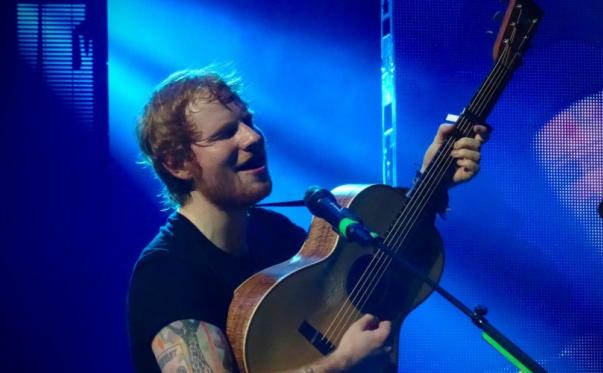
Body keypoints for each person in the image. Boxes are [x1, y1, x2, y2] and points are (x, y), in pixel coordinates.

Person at [127, 67, 488, 373]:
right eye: (225, 134)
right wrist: (342, 362)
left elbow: (379, 275)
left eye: (248, 122)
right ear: (177, 163)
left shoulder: (275, 234)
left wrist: (433, 181)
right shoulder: (167, 274)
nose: (253, 137)